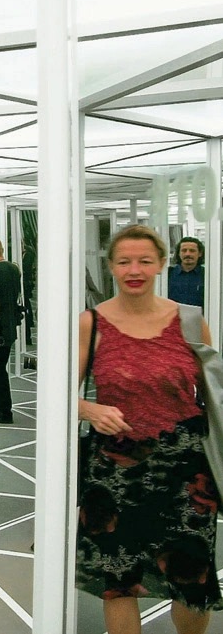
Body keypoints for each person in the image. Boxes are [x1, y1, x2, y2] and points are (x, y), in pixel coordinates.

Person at [76, 224, 220, 634]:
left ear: (161, 264)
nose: (134, 269)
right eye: (124, 261)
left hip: (185, 472)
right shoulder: (93, 323)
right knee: (119, 581)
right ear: (111, 267)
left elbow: (213, 395)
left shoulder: (190, 321)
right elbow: (60, 393)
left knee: (192, 579)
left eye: (144, 260)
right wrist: (87, 407)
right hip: (114, 472)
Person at [0, 238, 21, 424]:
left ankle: (3, 410)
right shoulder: (13, 269)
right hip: (9, 327)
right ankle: (2, 409)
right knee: (0, 369)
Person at [168, 236, 205, 309]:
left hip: (200, 319)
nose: (187, 254)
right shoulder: (168, 274)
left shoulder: (207, 275)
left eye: (192, 251)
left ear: (200, 253)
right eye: (184, 250)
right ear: (178, 253)